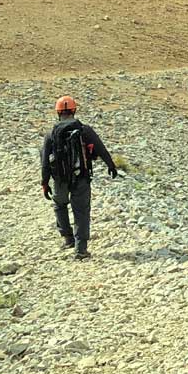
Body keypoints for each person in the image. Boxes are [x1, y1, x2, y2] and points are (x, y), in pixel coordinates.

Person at [40, 95, 117, 260]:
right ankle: (80, 250)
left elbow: (45, 161)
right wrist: (111, 165)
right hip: (80, 176)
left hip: (60, 178)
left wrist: (45, 183)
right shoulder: (84, 130)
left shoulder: (51, 134)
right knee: (81, 211)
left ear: (58, 112)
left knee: (59, 204)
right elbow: (100, 148)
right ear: (74, 110)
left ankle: (67, 238)